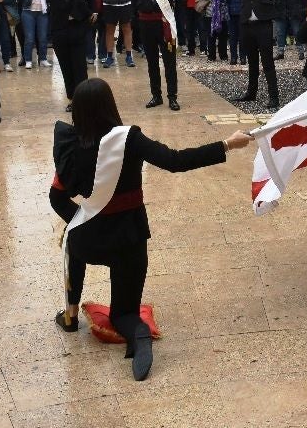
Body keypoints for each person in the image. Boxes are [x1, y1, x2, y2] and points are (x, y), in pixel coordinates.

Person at [50, 78, 255, 379]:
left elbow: (56, 198)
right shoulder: (128, 138)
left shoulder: (69, 145)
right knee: (124, 314)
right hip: (129, 238)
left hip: (90, 239)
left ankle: (69, 315)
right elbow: (175, 161)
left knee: (72, 239)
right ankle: (138, 335)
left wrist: (78, 219)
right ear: (110, 105)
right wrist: (227, 143)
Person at [119, 0, 181, 111]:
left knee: (169, 62)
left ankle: (172, 97)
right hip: (146, 25)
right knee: (152, 62)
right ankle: (156, 95)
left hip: (164, 24)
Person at [32, 0, 92, 111]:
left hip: (77, 34)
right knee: (66, 68)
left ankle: (84, 99)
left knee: (80, 67)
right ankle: (72, 98)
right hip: (60, 36)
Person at [225, 0, 281, 109]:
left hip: (263, 25)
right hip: (246, 25)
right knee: (252, 61)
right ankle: (251, 92)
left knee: (267, 63)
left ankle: (274, 96)